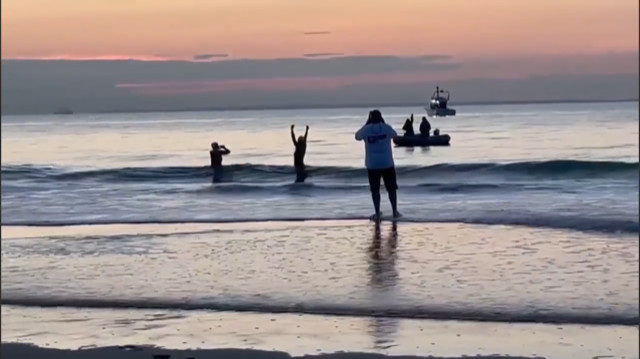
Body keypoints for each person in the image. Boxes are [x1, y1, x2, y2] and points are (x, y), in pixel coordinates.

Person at [355, 109, 401, 221]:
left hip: (372, 164)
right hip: (387, 163)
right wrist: (383, 125)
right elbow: (395, 135)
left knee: (375, 190)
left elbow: (357, 136)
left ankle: (377, 212)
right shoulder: (386, 128)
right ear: (381, 117)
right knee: (391, 189)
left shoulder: (366, 130)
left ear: (370, 118)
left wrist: (366, 124)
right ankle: (394, 211)